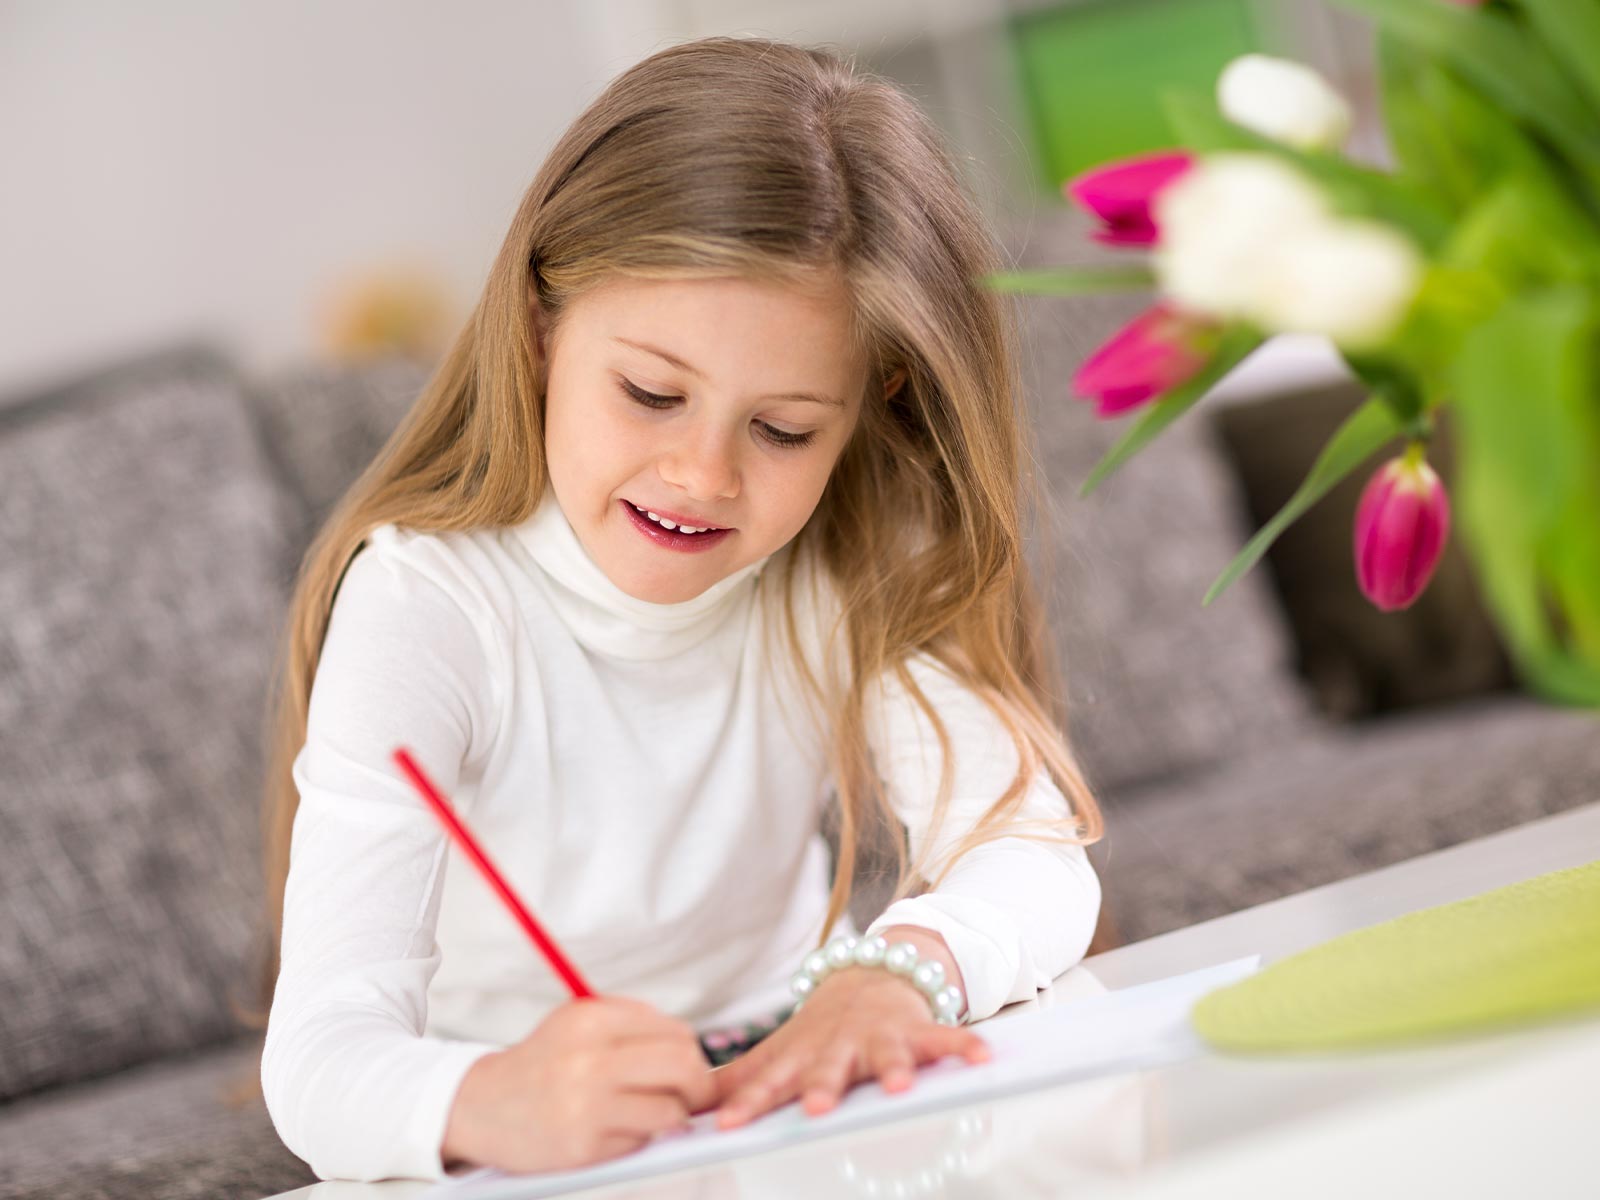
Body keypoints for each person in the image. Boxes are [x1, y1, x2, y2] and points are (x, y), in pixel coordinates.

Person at [251, 34, 1106, 1184]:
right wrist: (486, 1098)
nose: (704, 476)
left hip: (797, 1101)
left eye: (784, 428)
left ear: (872, 402)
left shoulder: (850, 558)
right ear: (542, 326)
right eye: (652, 393)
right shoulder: (427, 607)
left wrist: (898, 969)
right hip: (540, 1135)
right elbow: (319, 1064)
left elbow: (1035, 857)